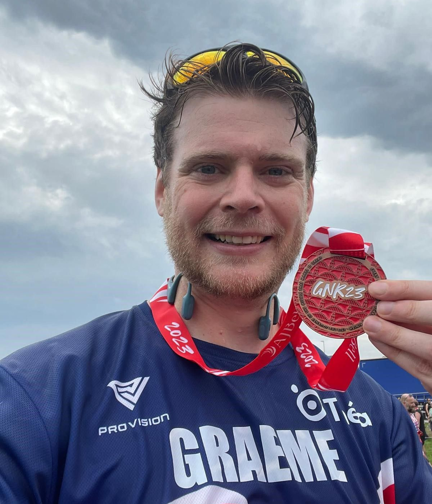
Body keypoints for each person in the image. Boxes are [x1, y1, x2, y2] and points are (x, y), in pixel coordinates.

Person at [1, 43, 431, 503]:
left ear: (307, 197)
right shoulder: (34, 400)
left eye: (275, 170)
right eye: (209, 168)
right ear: (163, 191)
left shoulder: (372, 412)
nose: (243, 196)